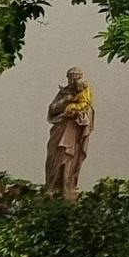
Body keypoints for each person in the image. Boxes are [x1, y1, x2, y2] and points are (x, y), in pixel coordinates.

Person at [44, 69, 94, 200]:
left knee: (70, 159)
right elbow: (52, 109)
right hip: (60, 127)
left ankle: (68, 186)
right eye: (70, 78)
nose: (73, 81)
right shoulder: (63, 93)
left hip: (74, 131)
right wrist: (65, 100)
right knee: (53, 156)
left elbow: (88, 111)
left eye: (75, 78)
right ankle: (51, 186)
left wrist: (80, 114)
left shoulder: (84, 94)